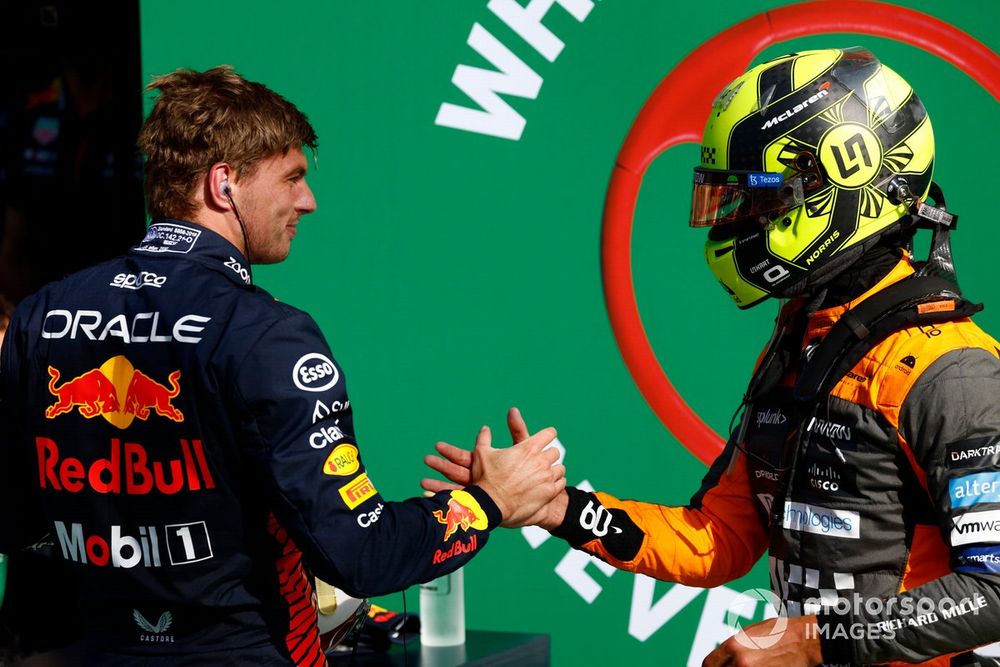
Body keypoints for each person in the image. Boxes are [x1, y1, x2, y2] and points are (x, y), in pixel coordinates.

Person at [425, 48, 1000, 666]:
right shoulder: (805, 343)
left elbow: (993, 590)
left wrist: (810, 641)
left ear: (845, 181)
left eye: (759, 201)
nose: (737, 224)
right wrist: (561, 510)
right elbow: (717, 539)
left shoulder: (954, 371)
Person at [0, 66, 566, 665]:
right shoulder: (266, 335)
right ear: (224, 185)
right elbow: (361, 553)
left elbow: (17, 524)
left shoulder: (40, 315)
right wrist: (489, 500)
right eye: (292, 177)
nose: (308, 201)